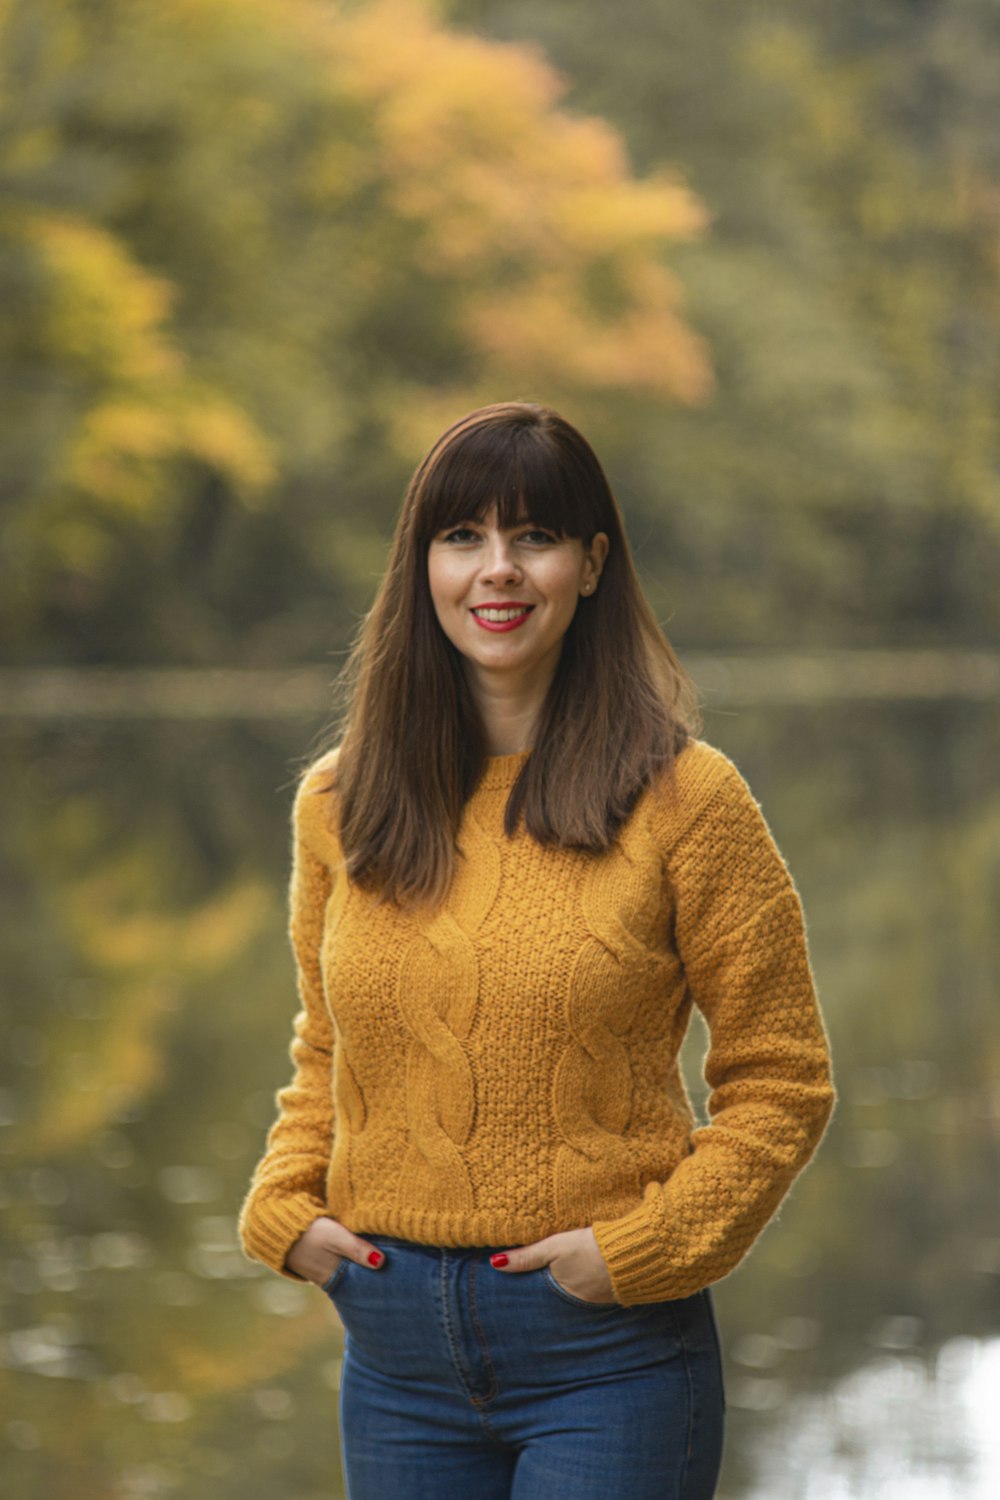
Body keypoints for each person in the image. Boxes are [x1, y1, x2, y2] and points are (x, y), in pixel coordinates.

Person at [238, 401, 836, 1500]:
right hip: (393, 1353)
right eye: (462, 537)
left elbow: (781, 1080)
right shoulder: (339, 800)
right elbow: (327, 1047)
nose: (497, 571)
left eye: (535, 537)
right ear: (421, 565)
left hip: (607, 1354)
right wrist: (284, 1201)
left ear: (592, 563)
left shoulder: (687, 799)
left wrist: (646, 1251)